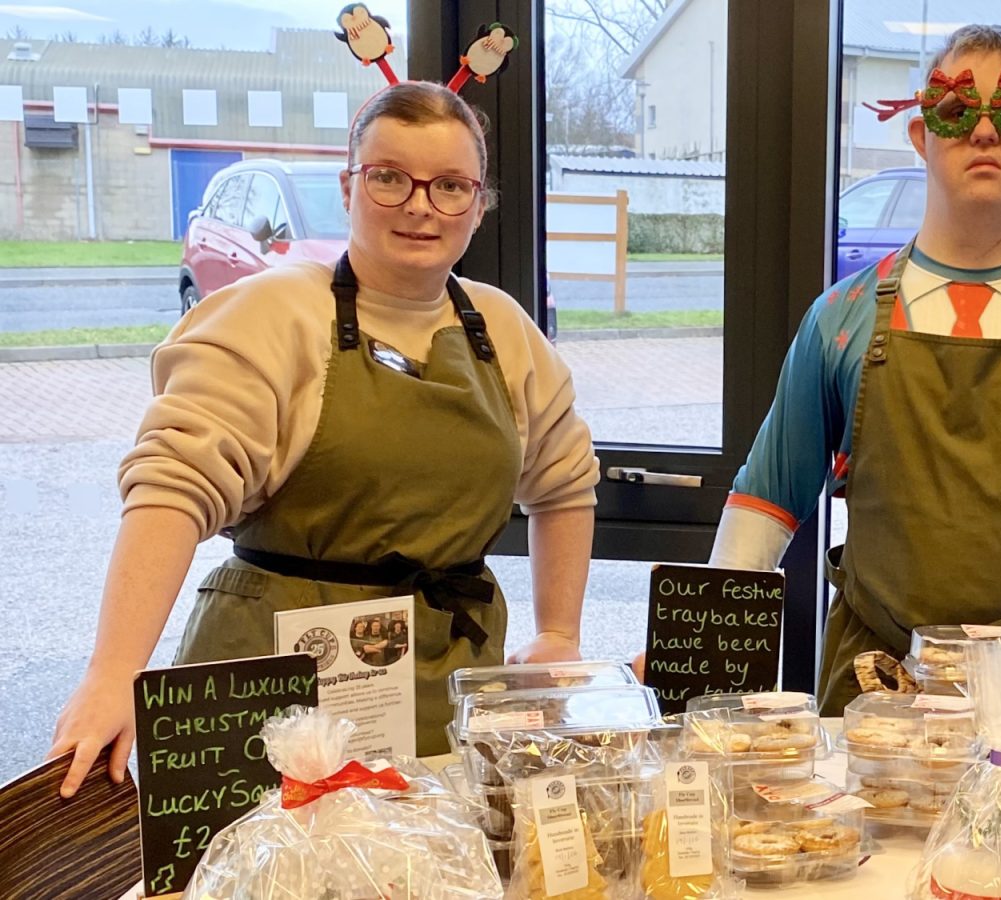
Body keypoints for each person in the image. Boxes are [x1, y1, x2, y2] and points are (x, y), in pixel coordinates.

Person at [51, 80, 601, 794]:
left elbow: (564, 483)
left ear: (478, 205)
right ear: (348, 188)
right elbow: (172, 490)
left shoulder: (503, 329)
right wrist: (114, 671)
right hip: (272, 681)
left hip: (445, 682)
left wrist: (558, 632)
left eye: (450, 186)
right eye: (389, 177)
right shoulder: (269, 314)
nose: (419, 205)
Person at [647, 25, 1001, 714]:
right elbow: (767, 501)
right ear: (919, 135)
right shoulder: (840, 320)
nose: (984, 132)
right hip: (875, 697)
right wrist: (698, 670)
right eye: (957, 111)